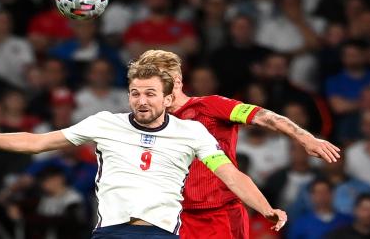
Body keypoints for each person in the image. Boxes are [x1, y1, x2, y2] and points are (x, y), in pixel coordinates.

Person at [0, 64, 287, 238]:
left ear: (168, 98)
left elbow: (231, 176)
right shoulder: (105, 123)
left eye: (150, 93)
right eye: (135, 92)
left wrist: (266, 209)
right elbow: (37, 142)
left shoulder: (191, 132)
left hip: (161, 233)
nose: (141, 100)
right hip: (112, 232)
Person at [133, 49, 340, 239]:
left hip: (220, 216)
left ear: (176, 82)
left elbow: (265, 117)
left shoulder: (211, 106)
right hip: (175, 217)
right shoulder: (150, 124)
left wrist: (306, 138)